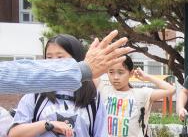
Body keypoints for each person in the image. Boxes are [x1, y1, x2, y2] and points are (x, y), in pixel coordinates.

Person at [0, 30, 131, 94]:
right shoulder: (35, 95)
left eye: (61, 58)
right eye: (49, 57)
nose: (53, 63)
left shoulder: (92, 94)